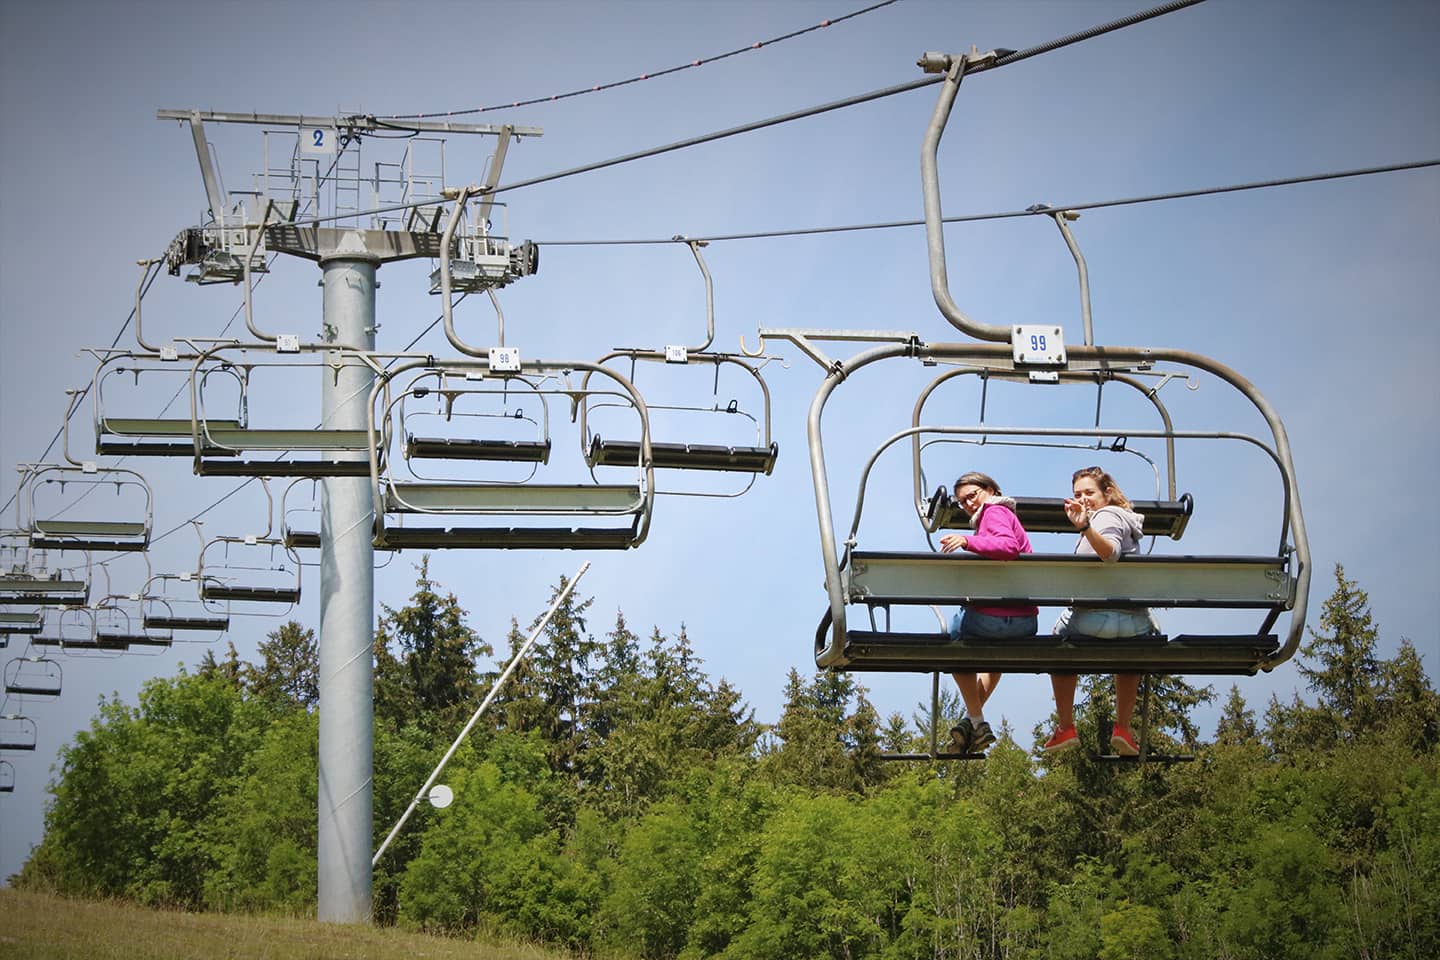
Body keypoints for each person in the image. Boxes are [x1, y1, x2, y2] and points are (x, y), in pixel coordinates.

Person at [1044, 466, 1160, 756]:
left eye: (1089, 493)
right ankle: (1123, 727)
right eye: (1077, 494)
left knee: (1057, 643)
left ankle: (1066, 726)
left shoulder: (1105, 517)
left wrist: (1085, 528)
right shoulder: (1122, 519)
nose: (1083, 499)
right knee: (1129, 658)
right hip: (1134, 625)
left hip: (1093, 619)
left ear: (1107, 493)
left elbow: (1110, 553)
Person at [939, 471, 1037, 754]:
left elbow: (1008, 547)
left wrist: (968, 542)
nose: (969, 503)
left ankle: (977, 720)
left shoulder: (994, 512)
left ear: (990, 490)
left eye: (973, 495)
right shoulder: (999, 516)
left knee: (953, 638)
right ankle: (972, 723)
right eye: (962, 501)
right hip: (1024, 622)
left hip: (996, 619)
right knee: (992, 657)